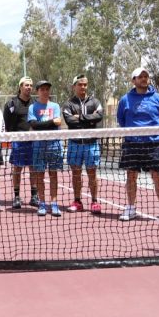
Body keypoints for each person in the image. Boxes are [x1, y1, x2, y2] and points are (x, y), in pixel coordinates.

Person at [116, 68, 159, 224]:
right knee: (131, 176)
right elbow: (122, 120)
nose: (143, 79)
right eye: (140, 77)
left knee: (158, 177)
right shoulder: (125, 100)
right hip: (132, 144)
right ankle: (131, 208)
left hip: (153, 145)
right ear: (133, 80)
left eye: (146, 76)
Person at [61, 74, 104, 214]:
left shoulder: (95, 102)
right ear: (74, 86)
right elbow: (69, 121)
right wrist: (88, 119)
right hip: (75, 144)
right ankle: (77, 201)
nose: (83, 87)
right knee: (76, 174)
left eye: (85, 84)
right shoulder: (68, 104)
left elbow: (99, 116)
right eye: (80, 84)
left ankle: (94, 202)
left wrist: (79, 117)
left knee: (92, 173)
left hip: (92, 143)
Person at [28, 81, 64, 217]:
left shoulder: (55, 106)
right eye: (42, 89)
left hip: (54, 145)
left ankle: (54, 204)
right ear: (37, 91)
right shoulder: (32, 107)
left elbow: (58, 123)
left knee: (53, 174)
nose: (45, 91)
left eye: (47, 89)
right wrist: (50, 123)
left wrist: (43, 124)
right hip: (38, 146)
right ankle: (42, 203)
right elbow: (34, 125)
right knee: (39, 175)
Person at [3, 76, 38, 209]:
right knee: (17, 169)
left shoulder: (35, 103)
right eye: (26, 85)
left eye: (30, 85)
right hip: (18, 142)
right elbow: (7, 123)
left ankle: (34, 196)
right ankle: (17, 197)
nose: (29, 87)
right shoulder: (11, 104)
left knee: (33, 168)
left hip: (33, 141)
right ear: (20, 87)